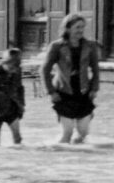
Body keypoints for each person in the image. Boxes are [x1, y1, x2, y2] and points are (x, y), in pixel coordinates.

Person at [41, 13, 101, 144]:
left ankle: (77, 160)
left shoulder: (90, 46)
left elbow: (96, 70)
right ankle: (57, 158)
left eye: (82, 27)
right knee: (67, 133)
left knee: (83, 133)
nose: (81, 30)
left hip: (84, 91)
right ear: (67, 28)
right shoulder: (56, 46)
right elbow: (44, 70)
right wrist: (51, 92)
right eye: (77, 27)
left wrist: (94, 88)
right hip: (63, 92)